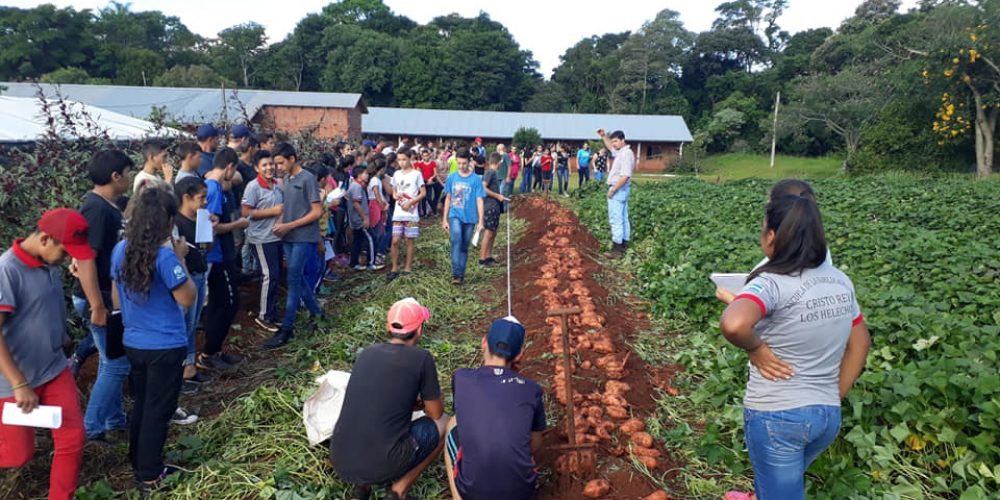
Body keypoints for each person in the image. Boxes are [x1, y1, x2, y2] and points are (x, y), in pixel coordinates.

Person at [718, 191, 870, 500]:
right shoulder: (840, 280)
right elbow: (861, 343)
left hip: (778, 416)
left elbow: (734, 324)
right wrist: (831, 395)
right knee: (779, 486)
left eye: (763, 229)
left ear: (772, 236)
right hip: (826, 416)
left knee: (780, 490)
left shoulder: (771, 282)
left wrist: (756, 349)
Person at [0, 209, 91, 500]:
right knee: (18, 454)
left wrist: (60, 337)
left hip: (53, 368)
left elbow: (42, 309)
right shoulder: (7, 270)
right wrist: (18, 383)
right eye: (65, 251)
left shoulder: (48, 264)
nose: (67, 258)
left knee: (72, 437)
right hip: (15, 379)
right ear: (45, 239)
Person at [111, 188, 197, 492]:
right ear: (167, 220)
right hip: (165, 345)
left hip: (133, 342)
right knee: (158, 411)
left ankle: (139, 460)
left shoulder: (120, 250)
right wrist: (181, 258)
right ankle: (150, 475)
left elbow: (115, 297)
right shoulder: (164, 257)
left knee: (143, 404)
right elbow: (187, 297)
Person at [331, 298, 449, 500]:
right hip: (384, 461)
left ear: (389, 328)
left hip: (341, 458)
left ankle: (361, 488)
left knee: (369, 423)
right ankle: (398, 491)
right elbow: (435, 413)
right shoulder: (422, 358)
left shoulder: (366, 353)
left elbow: (375, 399)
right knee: (446, 423)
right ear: (419, 330)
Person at [444, 316, 545, 500]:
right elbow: (536, 443)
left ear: (484, 342)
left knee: (452, 425)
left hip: (474, 492)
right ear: (519, 355)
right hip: (521, 492)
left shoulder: (461, 378)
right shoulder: (532, 389)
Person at [71, 150, 130, 442]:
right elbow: (86, 259)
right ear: (115, 176)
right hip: (97, 298)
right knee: (116, 363)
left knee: (113, 359)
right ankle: (91, 428)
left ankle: (114, 420)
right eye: (126, 173)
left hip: (105, 295)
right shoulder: (96, 209)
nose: (129, 179)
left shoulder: (109, 205)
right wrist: (97, 304)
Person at [264, 143, 324, 349]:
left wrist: (289, 225)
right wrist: (281, 223)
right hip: (287, 236)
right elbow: (288, 208)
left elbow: (317, 211)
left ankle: (287, 328)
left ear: (292, 159)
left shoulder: (307, 178)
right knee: (295, 277)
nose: (277, 167)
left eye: (280, 162)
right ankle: (317, 313)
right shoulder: (286, 180)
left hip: (303, 236)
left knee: (293, 279)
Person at [199, 148, 249, 368]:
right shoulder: (213, 189)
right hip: (218, 256)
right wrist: (238, 224)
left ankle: (214, 351)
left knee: (220, 303)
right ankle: (209, 353)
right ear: (230, 166)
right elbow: (214, 228)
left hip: (220, 254)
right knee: (228, 303)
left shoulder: (213, 186)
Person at [173, 178, 210, 395]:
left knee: (193, 322)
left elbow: (207, 246)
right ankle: (182, 370)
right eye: (201, 198)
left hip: (200, 273)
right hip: (186, 278)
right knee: (185, 324)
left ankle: (190, 366)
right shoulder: (176, 223)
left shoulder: (201, 218)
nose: (205, 202)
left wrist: (209, 228)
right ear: (186, 197)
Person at [241, 151, 284, 333]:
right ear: (257, 168)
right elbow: (245, 212)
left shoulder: (276, 185)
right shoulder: (253, 187)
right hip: (260, 238)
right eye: (264, 165)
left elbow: (282, 208)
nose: (269, 168)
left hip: (276, 236)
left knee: (275, 275)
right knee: (269, 275)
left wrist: (281, 218)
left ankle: (272, 313)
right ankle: (264, 316)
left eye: (271, 164)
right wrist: (271, 212)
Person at [442, 147, 485, 286]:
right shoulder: (452, 177)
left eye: (464, 163)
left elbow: (479, 200)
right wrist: (444, 219)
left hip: (470, 218)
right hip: (455, 215)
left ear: (469, 162)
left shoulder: (475, 180)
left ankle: (461, 274)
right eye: (459, 163)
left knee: (465, 245)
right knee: (457, 240)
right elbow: (448, 197)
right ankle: (456, 273)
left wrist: (480, 220)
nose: (461, 166)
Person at [387, 150, 426, 281]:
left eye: (404, 159)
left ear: (410, 159)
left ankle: (407, 267)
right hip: (398, 212)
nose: (401, 162)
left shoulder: (417, 174)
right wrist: (395, 195)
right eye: (399, 160)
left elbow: (423, 193)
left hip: (411, 212)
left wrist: (411, 202)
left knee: (409, 240)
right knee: (395, 240)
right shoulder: (396, 174)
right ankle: (394, 267)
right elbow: (394, 191)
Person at [598, 129, 635, 258]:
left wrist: (613, 190)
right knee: (623, 217)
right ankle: (624, 244)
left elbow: (625, 176)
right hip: (622, 190)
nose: (613, 144)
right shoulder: (621, 152)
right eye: (612, 141)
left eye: (616, 141)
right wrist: (604, 136)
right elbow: (610, 147)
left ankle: (616, 249)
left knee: (616, 219)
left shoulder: (626, 154)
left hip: (618, 189)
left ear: (622, 140)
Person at [479, 152, 509, 267]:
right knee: (488, 233)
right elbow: (483, 187)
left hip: (495, 206)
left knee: (493, 233)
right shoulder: (490, 173)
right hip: (490, 206)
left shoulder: (493, 173)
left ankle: (488, 257)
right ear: (499, 162)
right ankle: (482, 260)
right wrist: (497, 196)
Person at [346, 165, 376, 272]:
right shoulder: (356, 187)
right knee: (371, 238)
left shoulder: (356, 185)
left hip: (356, 219)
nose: (367, 175)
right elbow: (356, 204)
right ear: (359, 175)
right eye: (365, 173)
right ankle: (371, 262)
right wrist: (365, 218)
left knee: (357, 241)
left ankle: (353, 263)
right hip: (359, 219)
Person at [415, 148, 440, 217]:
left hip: (430, 182)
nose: (426, 157)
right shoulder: (420, 164)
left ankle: (434, 211)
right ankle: (425, 213)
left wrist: (431, 178)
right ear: (422, 156)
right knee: (423, 198)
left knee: (429, 198)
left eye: (427, 155)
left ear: (429, 155)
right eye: (424, 156)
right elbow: (419, 173)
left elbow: (435, 173)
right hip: (423, 182)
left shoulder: (432, 163)